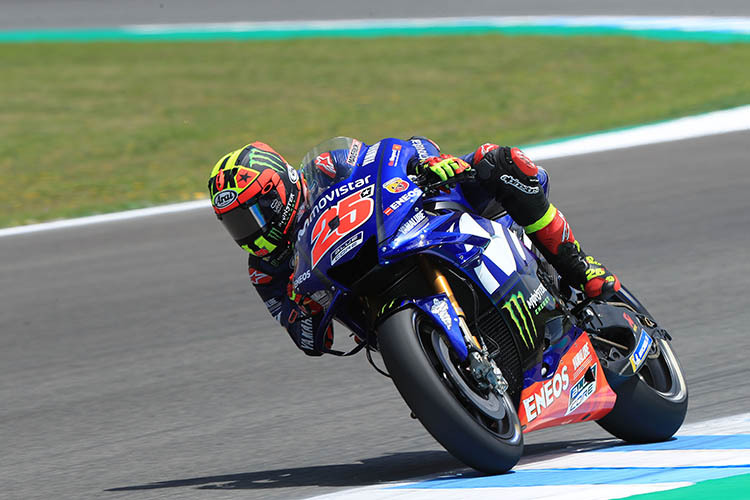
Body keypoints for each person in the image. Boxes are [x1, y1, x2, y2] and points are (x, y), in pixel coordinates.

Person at [208, 137, 620, 356]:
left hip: (406, 232)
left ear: (278, 191)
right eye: (235, 224)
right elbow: (312, 343)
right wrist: (304, 308)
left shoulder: (324, 167)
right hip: (372, 303)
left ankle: (579, 265)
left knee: (500, 162)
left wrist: (426, 164)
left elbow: (394, 153)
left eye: (254, 215)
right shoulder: (264, 270)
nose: (247, 232)